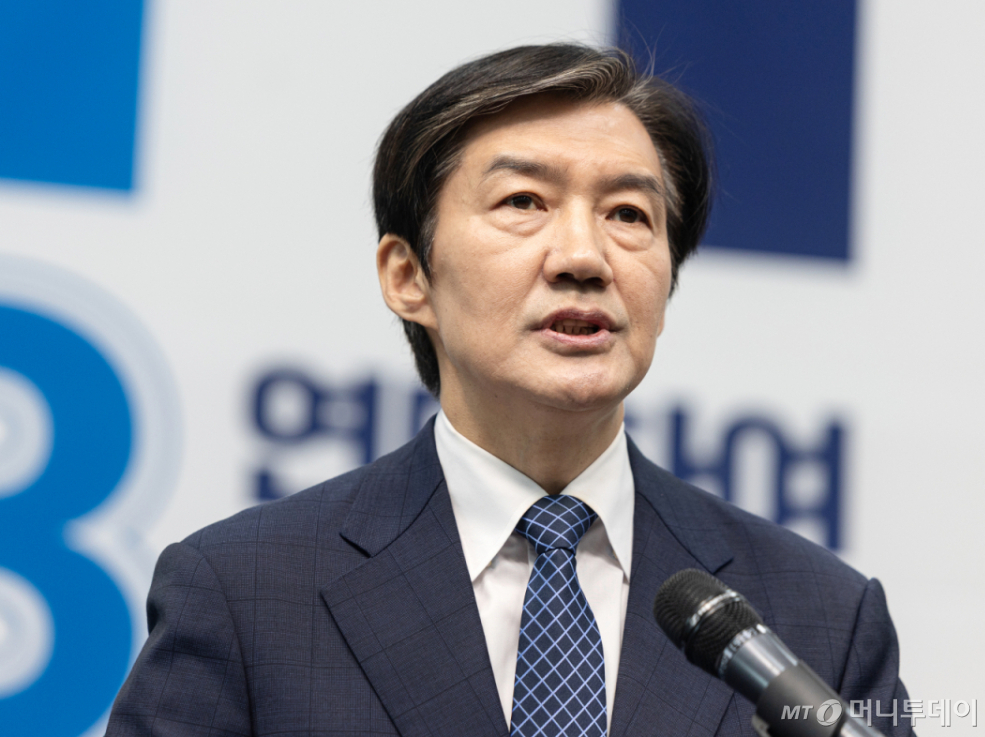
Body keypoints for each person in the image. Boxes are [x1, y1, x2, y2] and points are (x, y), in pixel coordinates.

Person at [105, 44, 913, 736]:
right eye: (523, 202)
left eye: (629, 215)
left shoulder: (820, 619)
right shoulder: (246, 595)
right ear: (408, 276)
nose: (584, 257)